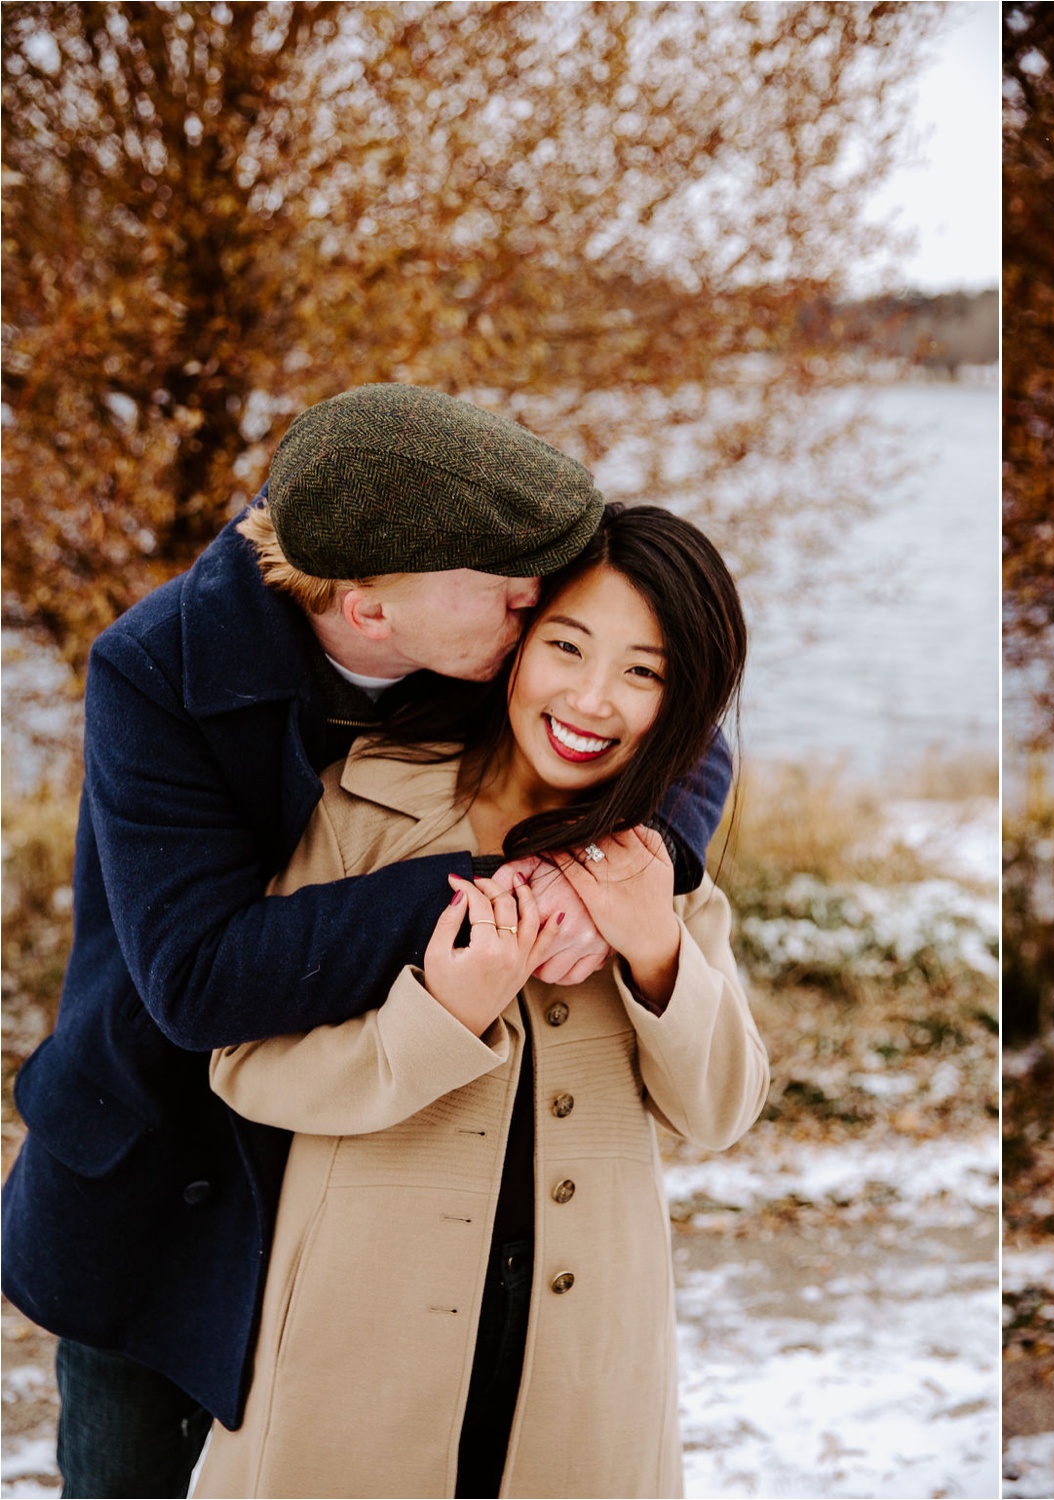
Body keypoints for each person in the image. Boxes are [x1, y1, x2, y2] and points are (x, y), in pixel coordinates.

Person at [0, 385, 732, 1499]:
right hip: (159, 1158)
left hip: (365, 1182)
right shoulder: (157, 669)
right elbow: (198, 982)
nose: (536, 605)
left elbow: (669, 715)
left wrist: (640, 869)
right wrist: (509, 889)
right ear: (370, 612)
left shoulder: (462, 608)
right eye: (512, 596)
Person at [191, 502, 766, 1498]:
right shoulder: (361, 807)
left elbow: (719, 1112)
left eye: (645, 670)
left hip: (583, 1369)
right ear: (512, 641)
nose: (593, 700)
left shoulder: (650, 863)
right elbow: (243, 1066)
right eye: (567, 647)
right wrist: (440, 1017)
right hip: (355, 1346)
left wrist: (656, 947)